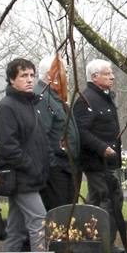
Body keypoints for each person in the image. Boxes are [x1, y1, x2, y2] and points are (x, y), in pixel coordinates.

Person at [0, 58, 50, 253]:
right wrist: (31, 166)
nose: (29, 80)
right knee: (39, 223)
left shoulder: (30, 104)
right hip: (21, 177)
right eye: (23, 76)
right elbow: (7, 146)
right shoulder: (6, 107)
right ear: (11, 80)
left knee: (16, 230)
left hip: (30, 176)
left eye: (32, 75)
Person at [74, 59, 127, 253]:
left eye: (111, 73)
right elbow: (81, 130)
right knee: (106, 201)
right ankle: (101, 244)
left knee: (104, 201)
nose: (112, 76)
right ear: (94, 77)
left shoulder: (104, 97)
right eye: (107, 73)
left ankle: (100, 243)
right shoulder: (85, 99)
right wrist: (102, 147)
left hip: (109, 162)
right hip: (97, 164)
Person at [38, 56, 81, 211]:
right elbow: (42, 136)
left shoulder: (56, 97)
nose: (67, 76)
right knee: (59, 213)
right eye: (64, 72)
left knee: (68, 212)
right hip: (56, 171)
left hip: (66, 167)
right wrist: (54, 165)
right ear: (51, 75)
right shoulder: (43, 98)